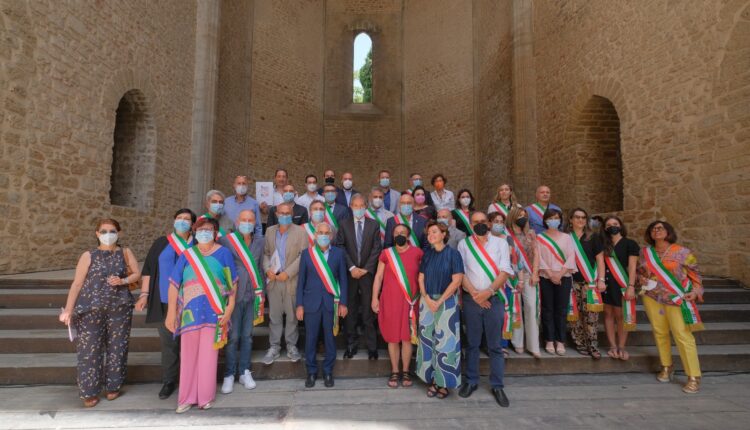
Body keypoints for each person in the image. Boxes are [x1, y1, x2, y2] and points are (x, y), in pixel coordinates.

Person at [59, 218, 140, 408]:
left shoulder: (125, 253)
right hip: (90, 309)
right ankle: (89, 391)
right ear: (97, 234)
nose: (108, 234)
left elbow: (137, 274)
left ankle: (113, 385)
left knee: (118, 347)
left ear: (118, 233)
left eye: (112, 231)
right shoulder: (88, 255)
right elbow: (77, 284)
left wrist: (123, 281)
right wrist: (69, 309)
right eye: (103, 231)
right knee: (89, 350)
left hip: (119, 307)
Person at [165, 217, 237, 413]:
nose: (205, 232)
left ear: (215, 233)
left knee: (209, 356)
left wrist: (230, 308)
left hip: (214, 311)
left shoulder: (224, 254)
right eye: (201, 229)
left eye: (209, 230)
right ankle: (186, 397)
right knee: (188, 355)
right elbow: (173, 284)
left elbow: (232, 284)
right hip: (189, 313)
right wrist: (171, 313)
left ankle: (205, 396)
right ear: (195, 232)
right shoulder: (187, 255)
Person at [136, 209, 196, 400]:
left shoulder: (199, 244)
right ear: (173, 220)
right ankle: (169, 381)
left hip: (192, 301)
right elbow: (148, 269)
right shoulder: (162, 243)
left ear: (193, 224)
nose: (183, 221)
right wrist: (144, 294)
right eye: (179, 218)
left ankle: (190, 379)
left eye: (187, 219)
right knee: (169, 344)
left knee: (190, 343)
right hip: (164, 301)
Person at [638, 220, 704, 394]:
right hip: (653, 297)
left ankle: (693, 376)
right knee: (659, 332)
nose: (656, 231)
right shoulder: (645, 253)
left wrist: (696, 291)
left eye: (660, 228)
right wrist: (641, 279)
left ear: (668, 231)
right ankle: (666, 366)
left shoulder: (683, 252)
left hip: (676, 297)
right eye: (653, 229)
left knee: (682, 335)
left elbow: (695, 274)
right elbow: (641, 272)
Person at [457, 211, 512, 407]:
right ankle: (471, 381)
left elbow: (505, 270)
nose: (479, 224)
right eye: (475, 222)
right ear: (470, 224)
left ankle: (497, 385)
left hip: (494, 298)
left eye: (482, 221)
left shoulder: (501, 243)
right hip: (472, 300)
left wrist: (487, 292)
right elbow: (460, 272)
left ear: (488, 223)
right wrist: (475, 294)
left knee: (495, 345)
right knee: (471, 343)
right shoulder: (464, 244)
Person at [296, 222, 349, 388]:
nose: (324, 235)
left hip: (330, 304)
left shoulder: (339, 254)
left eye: (327, 233)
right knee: (310, 339)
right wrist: (299, 305)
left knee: (330, 339)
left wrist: (343, 303)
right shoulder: (307, 254)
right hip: (310, 303)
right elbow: (301, 281)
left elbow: (343, 280)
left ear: (331, 236)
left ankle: (327, 372)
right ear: (315, 235)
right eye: (320, 232)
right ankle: (311, 372)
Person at [371, 223, 424, 388]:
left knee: (407, 338)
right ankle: (395, 371)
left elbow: (423, 277)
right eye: (396, 233)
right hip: (390, 300)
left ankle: (406, 371)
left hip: (410, 301)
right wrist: (375, 298)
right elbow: (378, 277)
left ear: (408, 236)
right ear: (392, 236)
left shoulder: (418, 253)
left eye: (403, 232)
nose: (399, 235)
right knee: (393, 338)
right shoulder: (386, 253)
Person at [219, 209, 265, 394]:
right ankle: (229, 374)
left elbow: (260, 267)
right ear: (238, 221)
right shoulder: (227, 241)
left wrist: (262, 294)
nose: (247, 222)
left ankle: (244, 371)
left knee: (247, 336)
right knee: (234, 337)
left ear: (255, 223)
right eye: (244, 219)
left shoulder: (260, 242)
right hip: (233, 297)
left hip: (252, 295)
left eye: (251, 220)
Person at [416, 221, 463, 397]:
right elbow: (421, 278)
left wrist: (440, 300)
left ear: (444, 234)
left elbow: (457, 280)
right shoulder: (427, 254)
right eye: (429, 233)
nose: (431, 235)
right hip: (427, 301)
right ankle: (432, 379)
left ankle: (444, 383)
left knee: (446, 343)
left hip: (447, 302)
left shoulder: (453, 254)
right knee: (427, 340)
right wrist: (427, 298)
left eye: (435, 232)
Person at [336, 194, 383, 359]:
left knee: (369, 311)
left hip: (367, 274)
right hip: (350, 274)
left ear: (366, 206)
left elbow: (377, 248)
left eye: (361, 205)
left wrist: (366, 269)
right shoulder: (343, 224)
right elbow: (340, 246)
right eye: (355, 205)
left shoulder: (374, 225)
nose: (358, 208)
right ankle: (351, 345)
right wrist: (352, 267)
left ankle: (372, 347)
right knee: (351, 311)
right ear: (350, 206)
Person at [262, 202, 308, 364]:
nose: (284, 215)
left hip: (291, 280)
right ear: (276, 214)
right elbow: (266, 253)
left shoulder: (301, 232)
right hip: (273, 280)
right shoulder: (269, 231)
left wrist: (288, 273)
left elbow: (303, 256)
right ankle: (274, 347)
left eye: (287, 213)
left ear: (292, 213)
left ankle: (291, 346)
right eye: (281, 213)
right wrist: (268, 268)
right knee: (274, 316)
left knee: (291, 316)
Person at [532, 208, 577, 356]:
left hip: (563, 277)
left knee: (561, 310)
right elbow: (539, 258)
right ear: (545, 220)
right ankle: (549, 339)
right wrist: (551, 274)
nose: (553, 220)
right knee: (547, 309)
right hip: (546, 277)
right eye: (550, 218)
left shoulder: (567, 237)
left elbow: (571, 256)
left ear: (560, 220)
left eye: (556, 218)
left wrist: (560, 274)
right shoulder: (539, 238)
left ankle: (560, 341)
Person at [566, 208, 606, 360]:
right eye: (577, 217)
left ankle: (592, 344)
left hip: (590, 283)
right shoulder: (565, 238)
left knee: (591, 315)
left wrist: (601, 280)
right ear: (570, 219)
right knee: (575, 314)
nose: (580, 220)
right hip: (571, 282)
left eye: (583, 217)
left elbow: (600, 260)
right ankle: (580, 342)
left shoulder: (593, 237)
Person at [601, 215, 640, 361]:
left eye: (615, 223)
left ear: (621, 225)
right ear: (605, 228)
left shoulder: (630, 243)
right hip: (606, 284)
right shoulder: (603, 244)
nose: (613, 226)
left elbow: (632, 267)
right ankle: (612, 346)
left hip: (623, 283)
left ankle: (621, 346)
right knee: (608, 315)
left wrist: (631, 286)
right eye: (609, 224)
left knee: (621, 315)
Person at [505, 207, 540, 358]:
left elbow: (536, 254)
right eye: (519, 215)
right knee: (515, 307)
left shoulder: (530, 233)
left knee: (532, 307)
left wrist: (536, 273)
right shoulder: (507, 235)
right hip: (512, 277)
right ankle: (517, 342)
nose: (522, 218)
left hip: (529, 275)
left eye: (524, 215)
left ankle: (533, 345)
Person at [489, 211, 517, 358]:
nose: (498, 224)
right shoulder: (485, 239)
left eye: (501, 221)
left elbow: (512, 260)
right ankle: (491, 344)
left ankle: (503, 344)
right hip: (489, 280)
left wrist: (518, 278)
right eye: (495, 221)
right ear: (489, 223)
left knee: (504, 313)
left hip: (505, 281)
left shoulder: (508, 239)